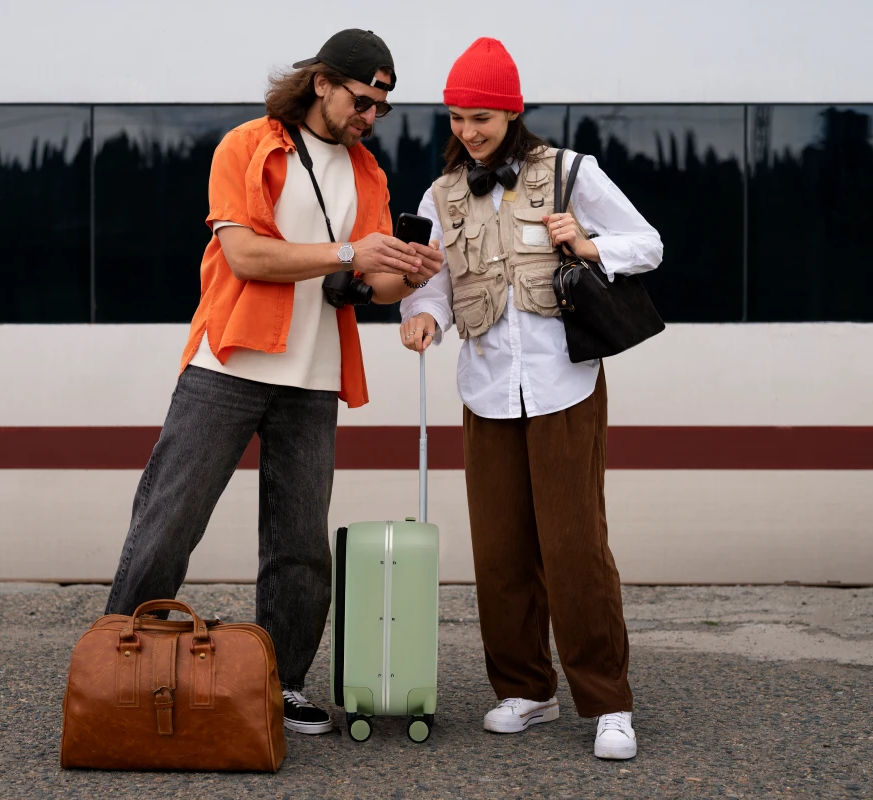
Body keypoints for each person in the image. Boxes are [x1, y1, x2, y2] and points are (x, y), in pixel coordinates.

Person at [103, 28, 443, 736]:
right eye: (361, 100)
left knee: (299, 546)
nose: (370, 118)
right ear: (322, 82)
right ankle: (114, 661)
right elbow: (246, 254)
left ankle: (280, 682)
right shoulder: (248, 145)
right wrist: (351, 250)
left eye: (381, 107)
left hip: (312, 380)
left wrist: (403, 273)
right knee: (168, 523)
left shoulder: (369, 174)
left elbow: (366, 283)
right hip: (226, 365)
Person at [398, 38, 662, 760]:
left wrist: (588, 243)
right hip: (484, 393)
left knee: (575, 547)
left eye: (480, 117)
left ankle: (608, 702)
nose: (467, 132)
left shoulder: (573, 172)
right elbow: (433, 283)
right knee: (501, 551)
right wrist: (423, 316)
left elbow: (648, 242)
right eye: (455, 118)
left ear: (512, 112)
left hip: (563, 388)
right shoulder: (440, 195)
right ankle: (526, 690)